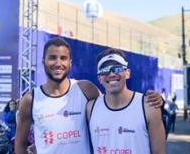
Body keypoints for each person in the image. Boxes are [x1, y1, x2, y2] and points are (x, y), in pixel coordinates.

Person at [15, 37, 163, 154]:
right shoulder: (30, 100)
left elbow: (113, 108)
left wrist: (157, 101)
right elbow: (20, 144)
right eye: (53, 57)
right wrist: (40, 144)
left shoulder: (85, 89)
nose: (58, 63)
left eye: (63, 58)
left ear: (70, 63)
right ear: (43, 62)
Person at [87, 48, 166, 154]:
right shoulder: (90, 108)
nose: (111, 74)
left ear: (128, 73)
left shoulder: (149, 106)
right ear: (99, 78)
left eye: (117, 68)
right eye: (105, 70)